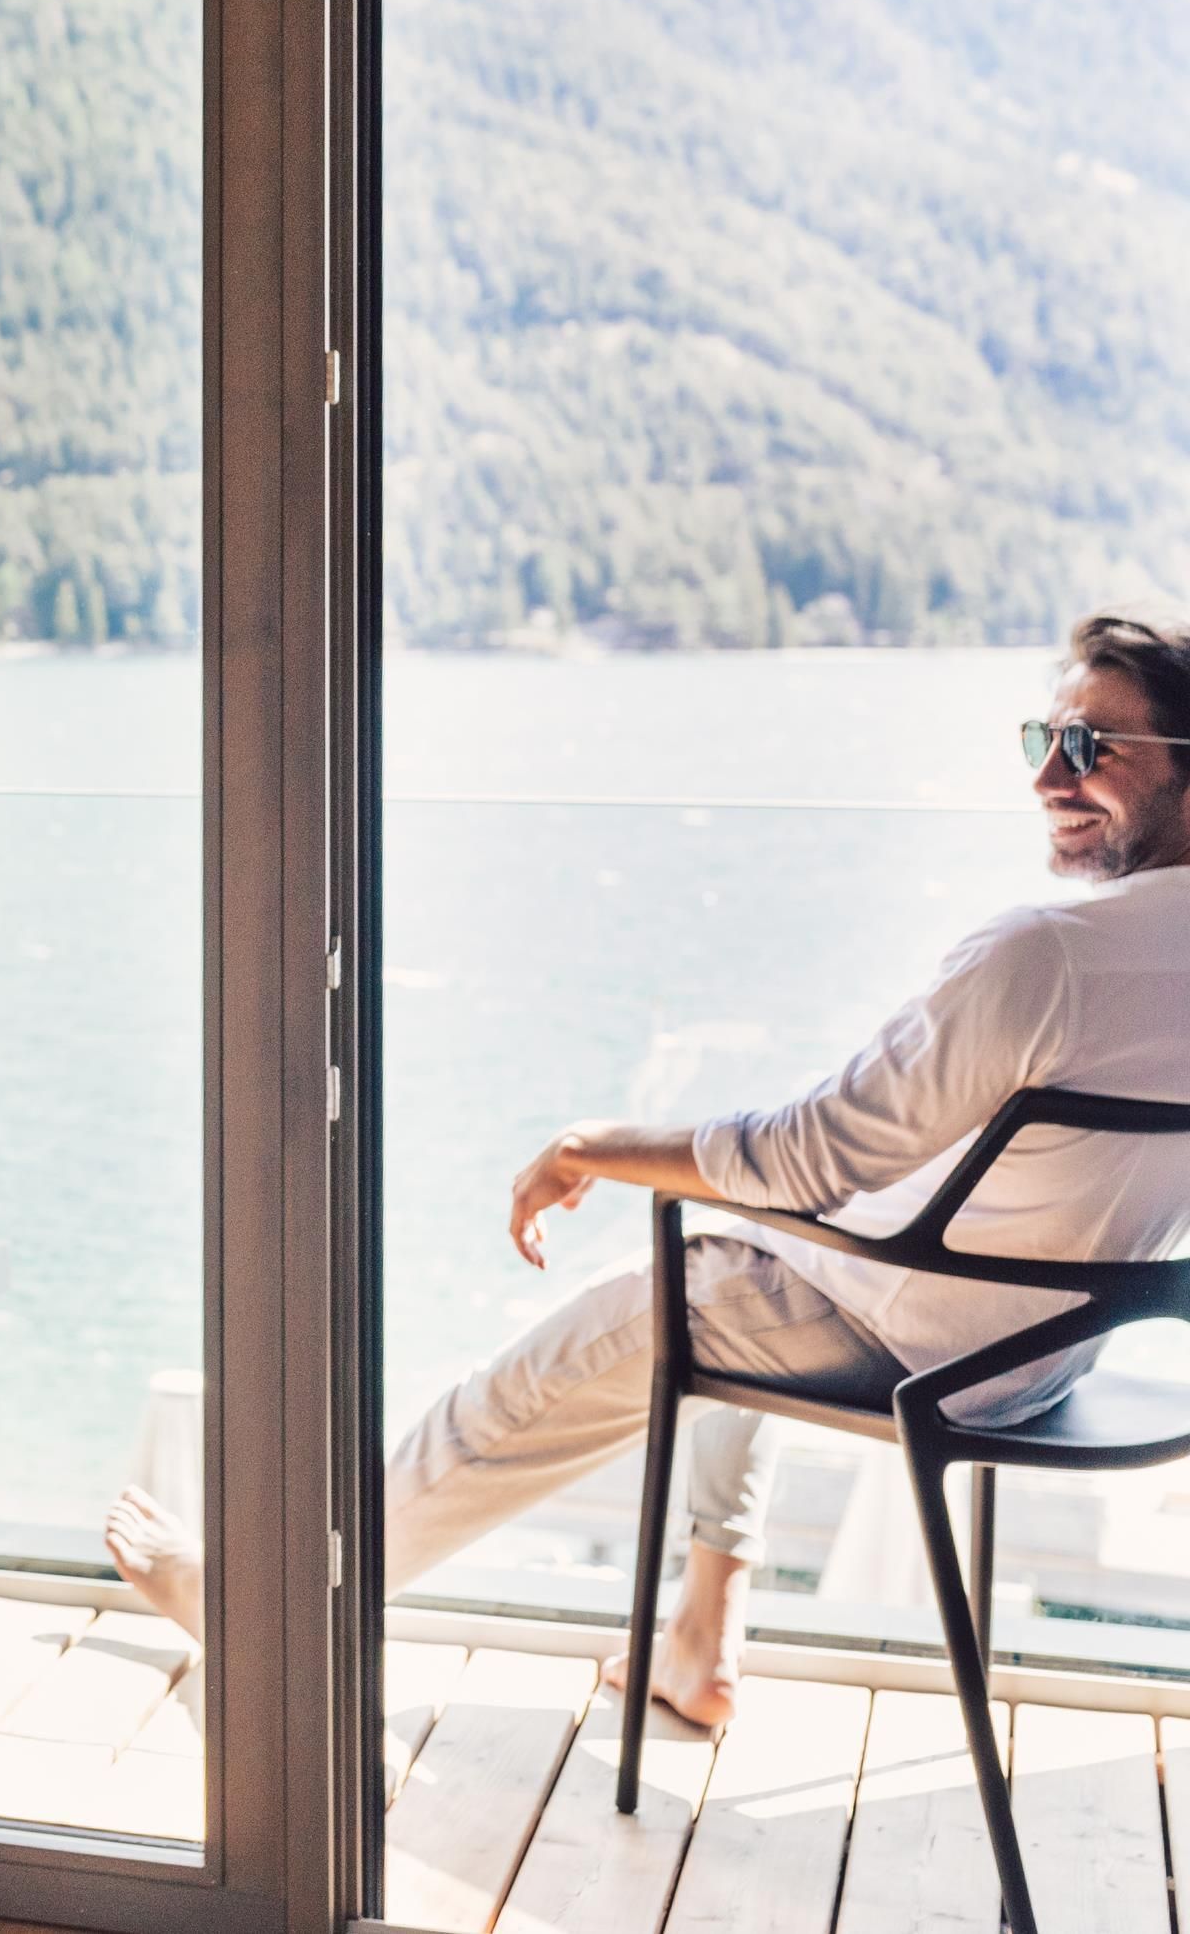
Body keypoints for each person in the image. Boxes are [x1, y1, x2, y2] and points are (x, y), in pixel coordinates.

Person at [106, 612, 1190, 1730]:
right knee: (739, 1239)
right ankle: (699, 1635)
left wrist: (589, 1146)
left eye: (1093, 746)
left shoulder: (1043, 956)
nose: (1049, 778)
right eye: (1042, 740)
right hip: (1044, 1350)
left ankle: (260, 1617)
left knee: (535, 1380)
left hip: (910, 1338)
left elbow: (808, 1156)